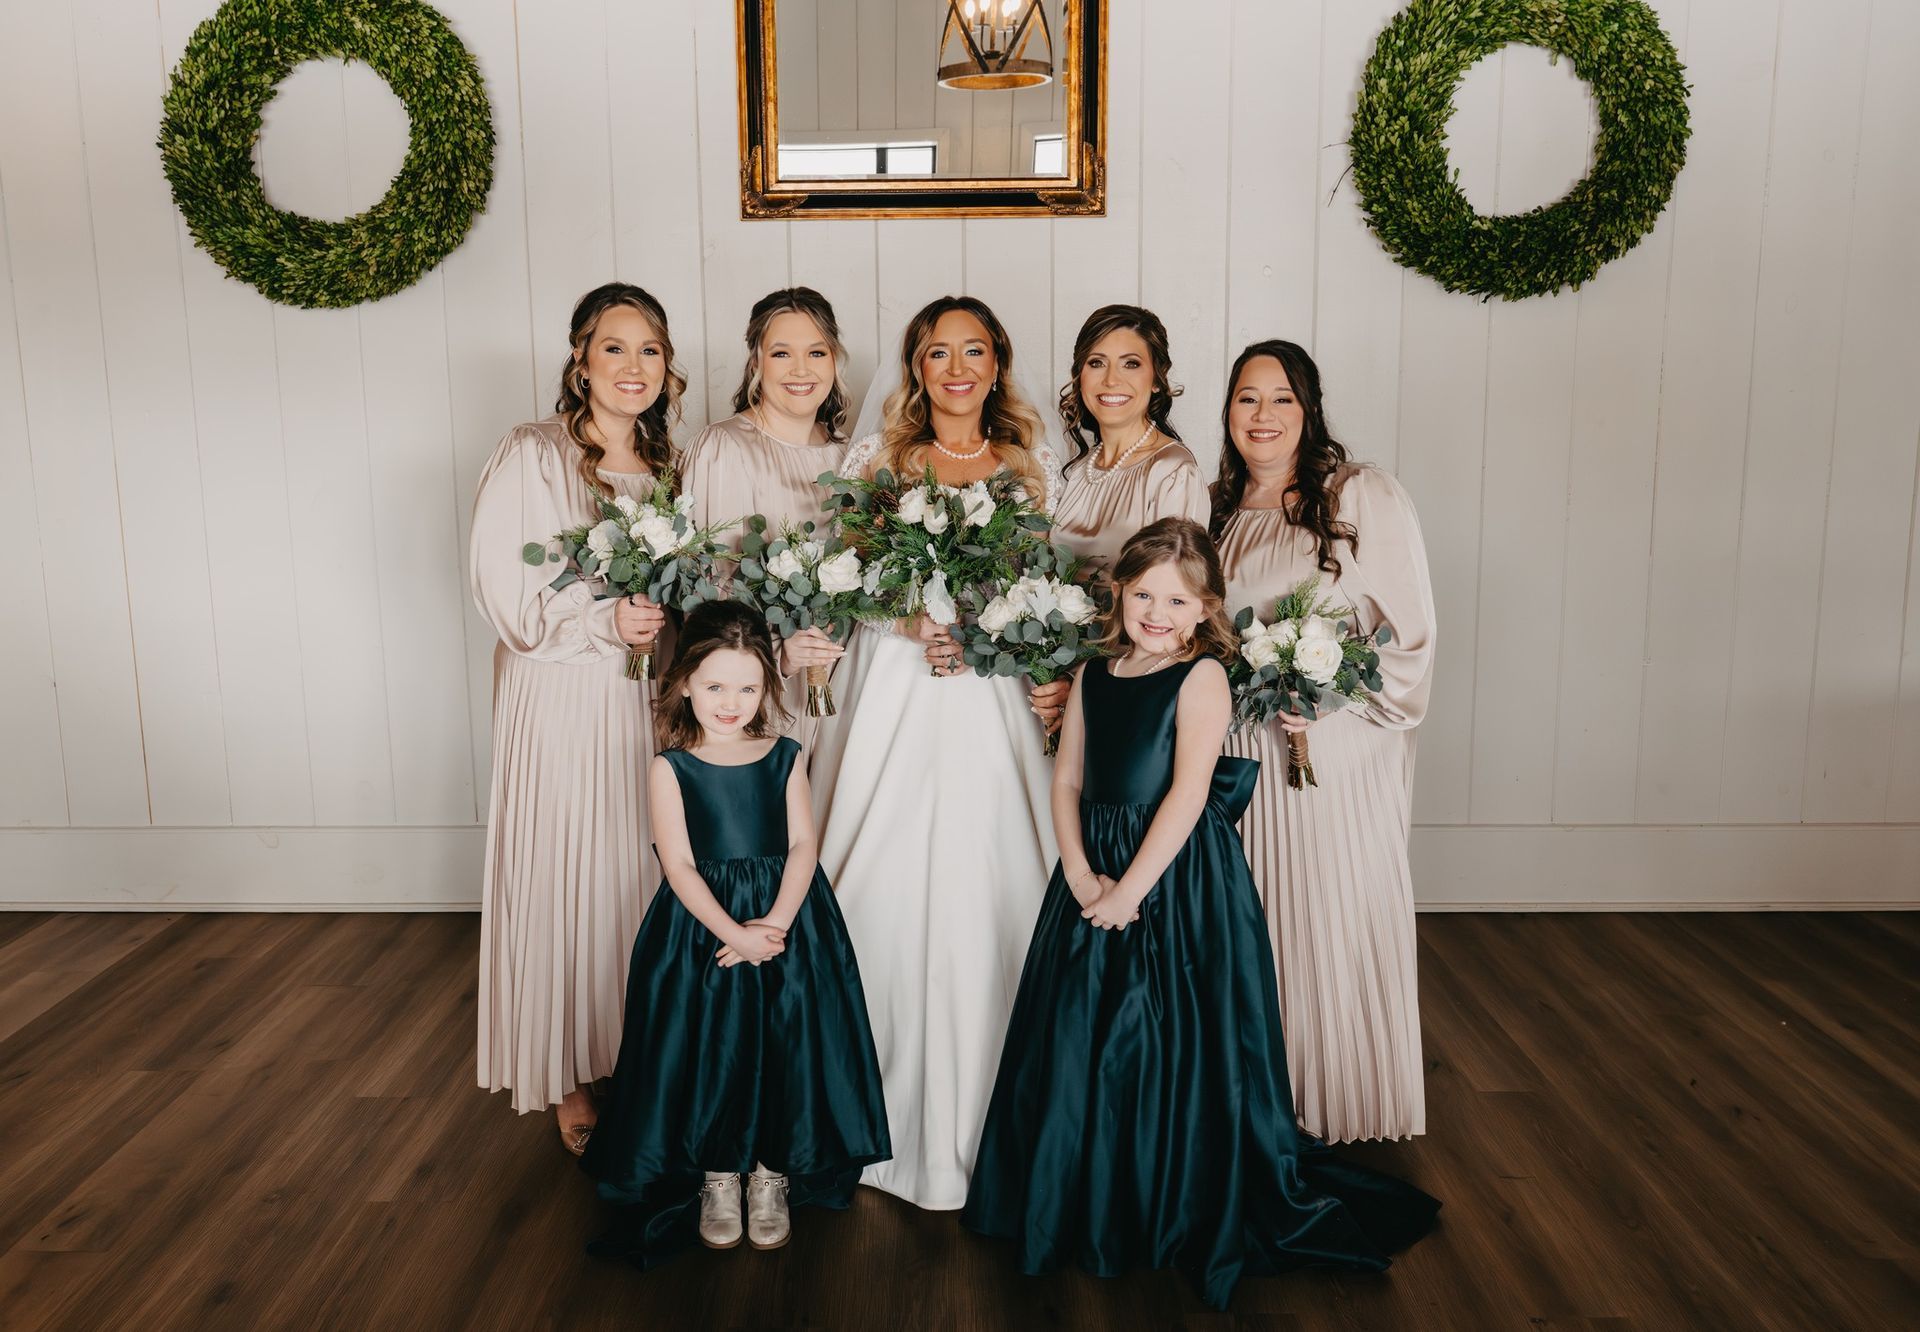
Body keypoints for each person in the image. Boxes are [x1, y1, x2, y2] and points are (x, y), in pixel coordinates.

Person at [962, 518, 1439, 1308]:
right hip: (1093, 868)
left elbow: (1187, 795)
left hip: (1175, 875)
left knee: (1167, 1028)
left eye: (1176, 600)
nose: (1157, 611)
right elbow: (1068, 778)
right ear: (1119, 592)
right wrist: (1082, 873)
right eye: (1144, 593)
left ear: (1205, 607)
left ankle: (1166, 1187)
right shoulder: (1093, 673)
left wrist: (1130, 891)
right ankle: (1088, 1187)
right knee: (1087, 1030)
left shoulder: (1202, 678)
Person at [807, 295, 1064, 1210]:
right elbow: (845, 586)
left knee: (994, 873)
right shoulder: (882, 461)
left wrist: (994, 635)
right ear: (915, 366)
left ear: (998, 364)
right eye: (938, 352)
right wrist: (914, 616)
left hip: (989, 694)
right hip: (900, 688)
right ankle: (862, 1112)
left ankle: (1002, 1113)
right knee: (882, 865)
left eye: (976, 350)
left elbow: (1043, 593)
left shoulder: (1029, 472)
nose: (958, 367)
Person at [580, 602, 889, 1263]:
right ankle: (718, 1174)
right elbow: (679, 863)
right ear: (684, 682)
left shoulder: (783, 755)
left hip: (788, 922)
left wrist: (773, 925)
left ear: (767, 688)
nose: (730, 702)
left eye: (747, 688)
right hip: (702, 931)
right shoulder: (671, 765)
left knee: (781, 1045)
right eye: (715, 686)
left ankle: (771, 1172)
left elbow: (804, 844)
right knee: (710, 1046)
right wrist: (734, 933)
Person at [469, 282, 681, 1151]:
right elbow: (507, 596)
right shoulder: (532, 453)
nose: (633, 367)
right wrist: (600, 620)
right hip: (560, 695)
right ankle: (565, 1074)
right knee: (565, 868)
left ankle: (632, 1052)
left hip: (642, 699)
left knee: (636, 872)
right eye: (615, 348)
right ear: (581, 360)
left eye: (650, 350)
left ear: (668, 369)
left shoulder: (669, 474)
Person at [1211, 340, 1436, 1143]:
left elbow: (1410, 639)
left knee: (1328, 915)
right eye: (1246, 398)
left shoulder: (1359, 497)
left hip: (1332, 755)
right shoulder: (1219, 514)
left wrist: (1332, 696)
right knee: (1255, 928)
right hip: (1241, 756)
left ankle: (1339, 1099)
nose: (1262, 416)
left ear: (1309, 411)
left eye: (1281, 399)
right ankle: (1266, 1102)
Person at [678, 288, 854, 740]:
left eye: (816, 351)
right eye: (781, 353)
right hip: (762, 690)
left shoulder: (851, 457)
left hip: (848, 680)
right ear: (756, 363)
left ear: (835, 359)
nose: (801, 370)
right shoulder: (723, 447)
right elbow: (711, 587)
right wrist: (780, 655)